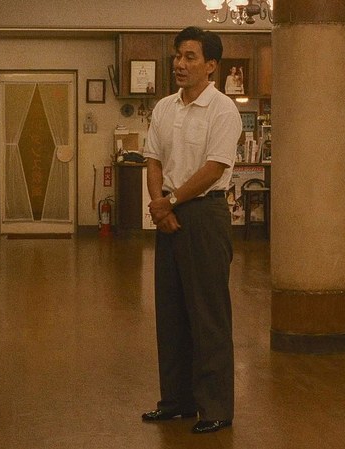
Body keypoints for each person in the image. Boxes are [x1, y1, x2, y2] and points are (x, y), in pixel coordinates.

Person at [140, 26, 242, 435]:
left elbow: (214, 168)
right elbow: (152, 160)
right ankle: (176, 401)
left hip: (204, 215)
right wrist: (159, 205)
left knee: (208, 314)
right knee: (170, 312)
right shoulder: (165, 107)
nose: (180, 64)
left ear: (211, 65)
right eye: (178, 56)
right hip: (169, 213)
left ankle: (215, 407)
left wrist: (170, 201)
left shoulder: (223, 110)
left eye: (190, 57)